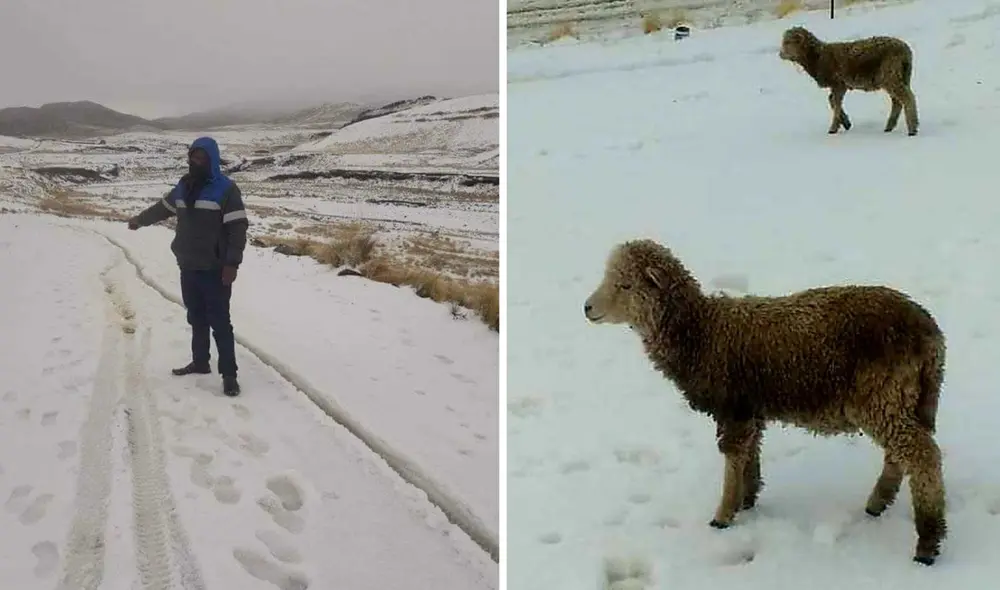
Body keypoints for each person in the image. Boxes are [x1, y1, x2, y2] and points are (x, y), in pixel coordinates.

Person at [127, 136, 249, 396]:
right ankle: (201, 362)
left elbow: (238, 229)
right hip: (188, 266)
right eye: (193, 157)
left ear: (212, 160)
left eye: (201, 157)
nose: (195, 162)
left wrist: (232, 263)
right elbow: (162, 209)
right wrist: (140, 220)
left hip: (215, 270)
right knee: (196, 318)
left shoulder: (226, 190)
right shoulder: (184, 186)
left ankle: (229, 375)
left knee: (221, 323)